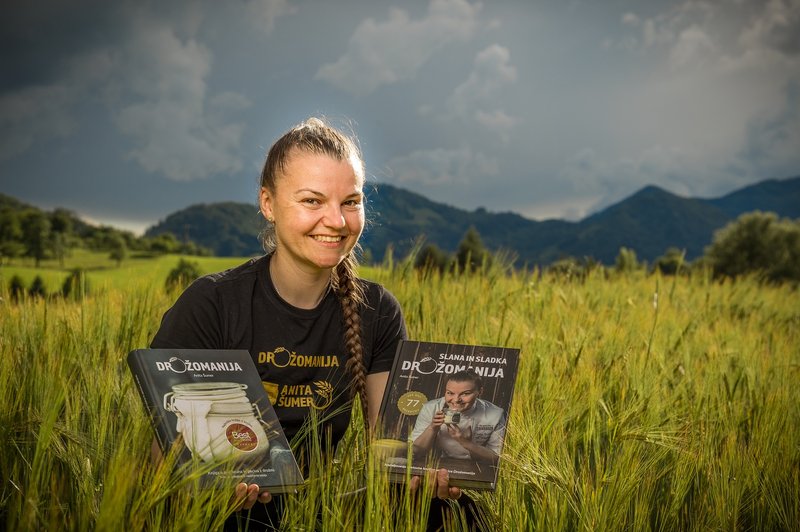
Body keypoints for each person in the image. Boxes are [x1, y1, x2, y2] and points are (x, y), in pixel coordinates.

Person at [150, 117, 462, 530]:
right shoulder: (212, 304)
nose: (336, 221)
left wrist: (423, 472)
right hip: (229, 512)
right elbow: (163, 464)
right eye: (312, 201)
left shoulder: (377, 310)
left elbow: (390, 450)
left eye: (350, 202)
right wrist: (209, 487)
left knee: (453, 509)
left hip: (323, 507)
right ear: (268, 203)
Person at [411, 370, 505, 464]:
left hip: (479, 465)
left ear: (479, 392)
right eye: (450, 393)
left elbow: (496, 458)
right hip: (442, 463)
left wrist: (464, 442)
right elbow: (415, 452)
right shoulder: (430, 408)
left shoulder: (496, 414)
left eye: (465, 393)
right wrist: (432, 428)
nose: (456, 400)